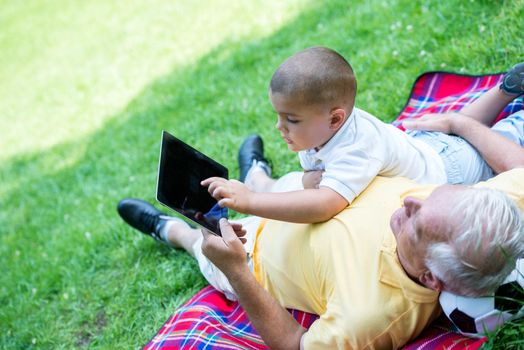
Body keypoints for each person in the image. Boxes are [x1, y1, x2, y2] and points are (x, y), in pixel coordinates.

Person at [118, 85, 524, 348]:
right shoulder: (479, 216)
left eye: (416, 222)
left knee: (198, 242)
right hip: (306, 191)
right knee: (268, 185)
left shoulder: (372, 317)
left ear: (432, 278)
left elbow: (295, 345)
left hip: (249, 249)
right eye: (431, 196)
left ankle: (167, 230)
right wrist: (460, 123)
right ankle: (258, 173)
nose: (411, 202)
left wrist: (237, 271)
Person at [202, 46, 448, 224]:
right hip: (417, 155)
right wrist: (308, 180)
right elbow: (317, 184)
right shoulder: (322, 132)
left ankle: (257, 181)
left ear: (335, 119)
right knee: (295, 186)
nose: (279, 126)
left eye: (292, 119)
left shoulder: (357, 146)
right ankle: (257, 178)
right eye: (278, 116)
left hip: (446, 172)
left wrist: (251, 201)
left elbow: (323, 206)